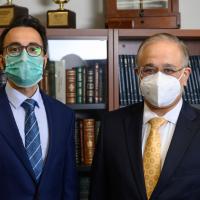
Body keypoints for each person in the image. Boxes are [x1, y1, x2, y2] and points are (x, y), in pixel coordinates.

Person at [89, 33, 200, 200]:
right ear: (138, 74)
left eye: (168, 70)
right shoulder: (112, 125)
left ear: (185, 75)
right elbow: (99, 191)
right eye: (149, 70)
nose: (158, 78)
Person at [0, 15, 77, 200]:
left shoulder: (63, 116)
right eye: (15, 49)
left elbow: (68, 183)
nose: (24, 56)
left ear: (44, 60)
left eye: (33, 49)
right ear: (2, 61)